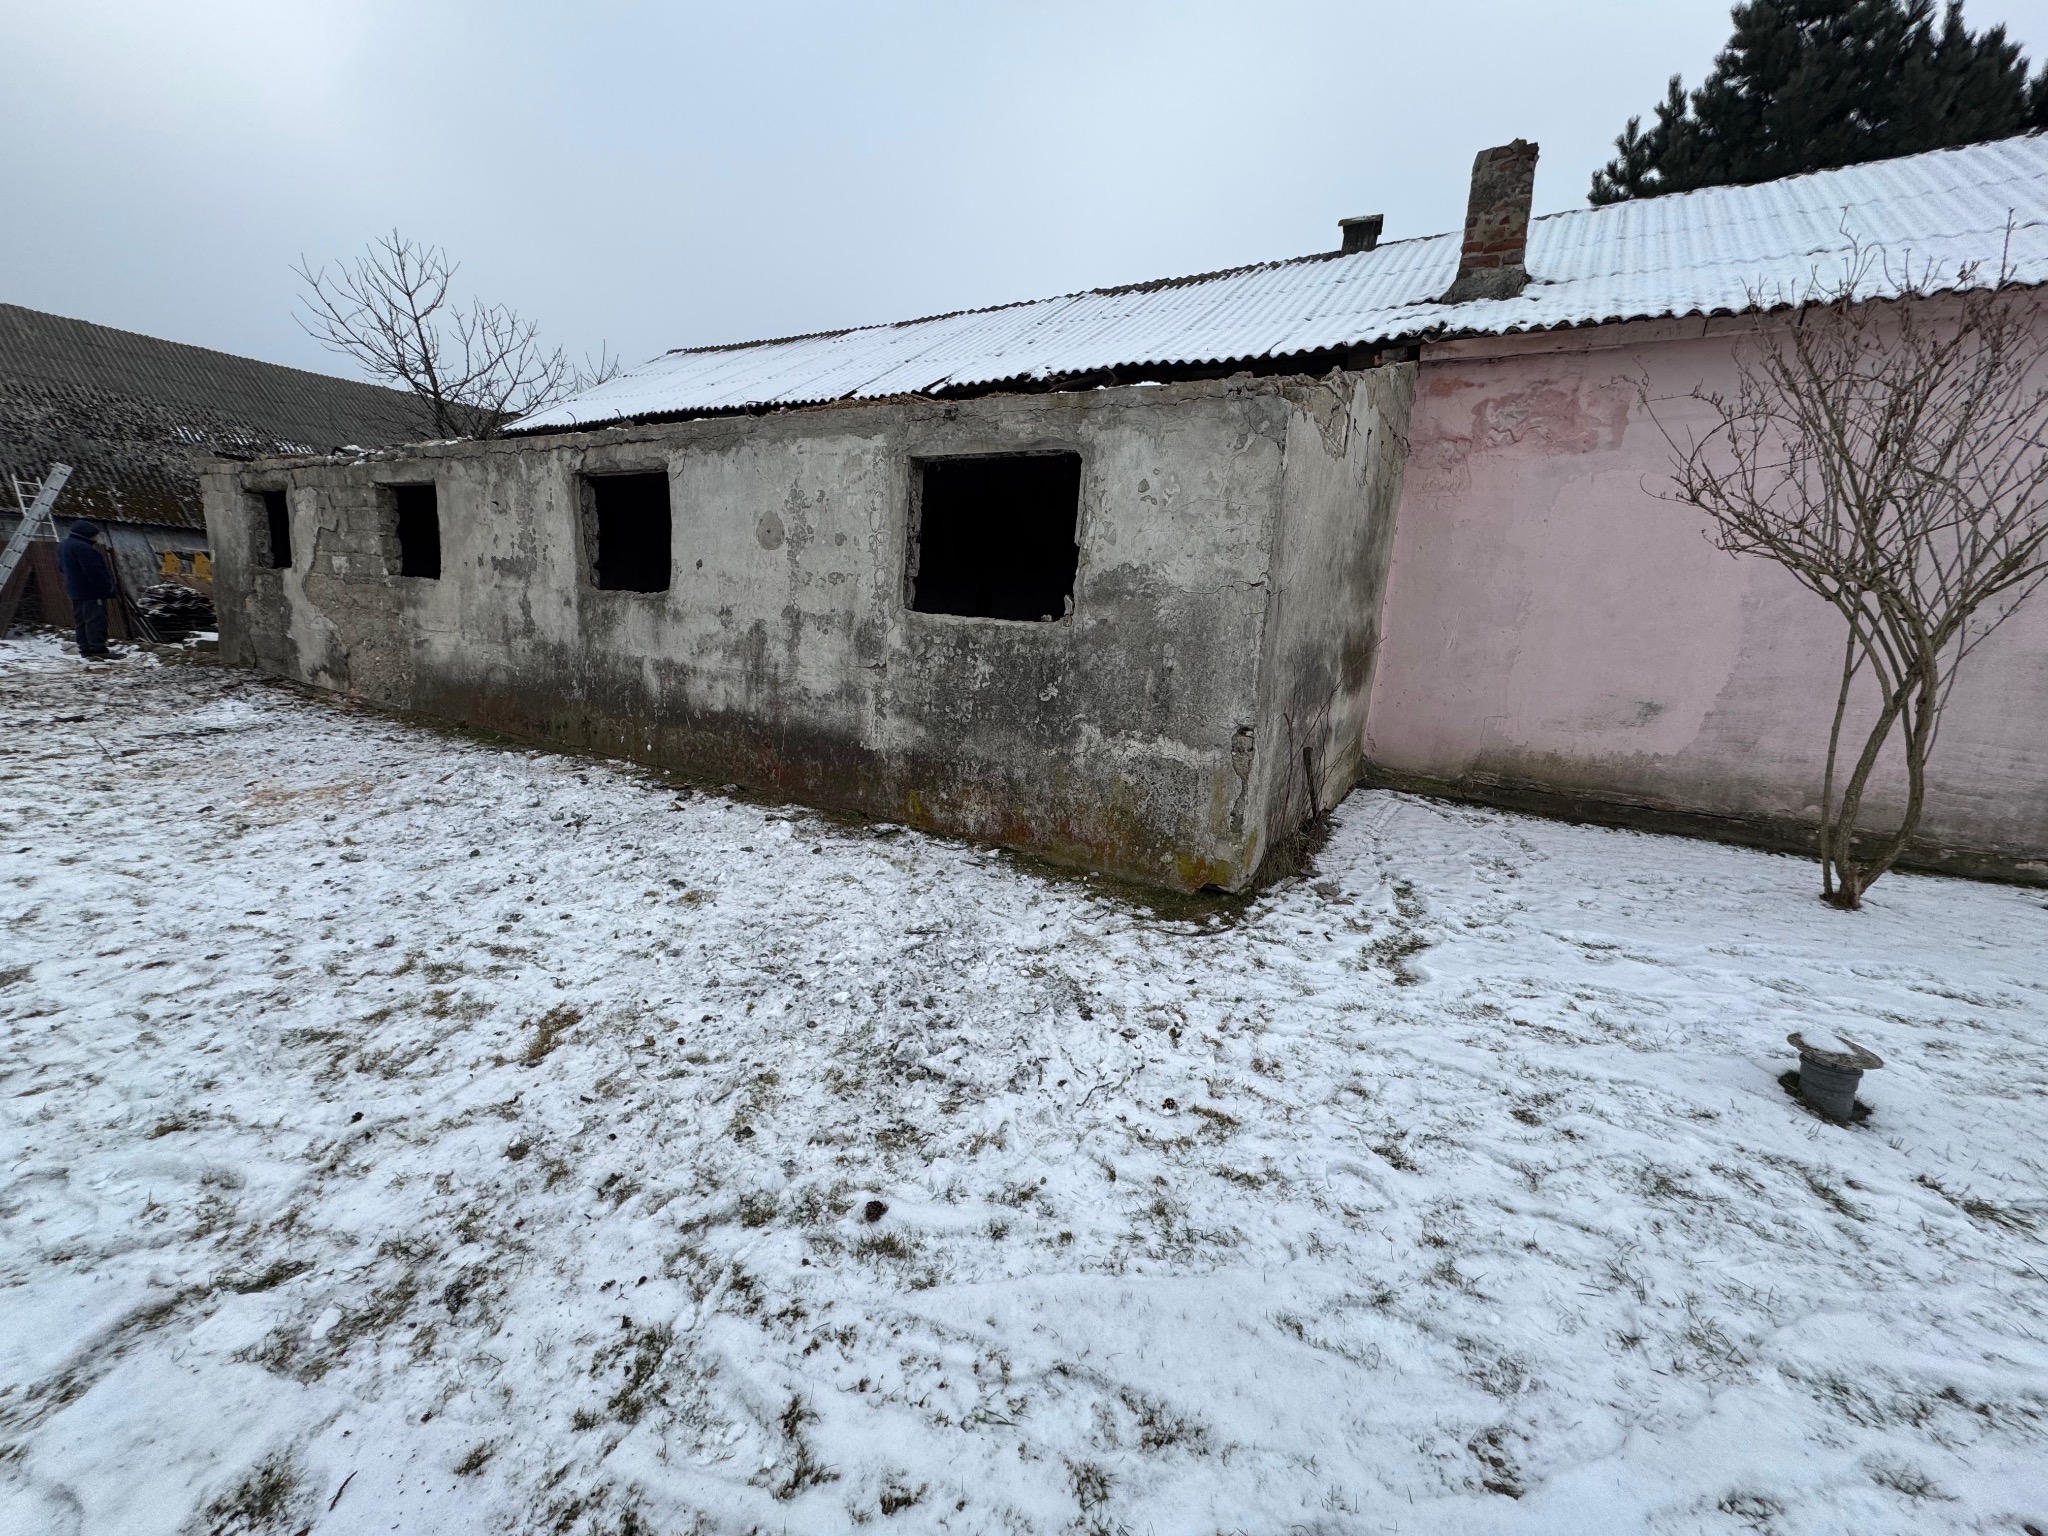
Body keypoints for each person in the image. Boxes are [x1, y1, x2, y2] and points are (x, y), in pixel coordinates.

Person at [56, 519, 117, 658]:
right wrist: (106, 586)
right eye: (94, 535)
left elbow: (61, 567)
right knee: (95, 619)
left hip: (74, 589)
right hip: (91, 590)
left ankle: (85, 649)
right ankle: (98, 649)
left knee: (81, 620)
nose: (95, 538)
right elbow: (93, 571)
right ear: (87, 534)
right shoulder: (84, 548)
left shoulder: (63, 546)